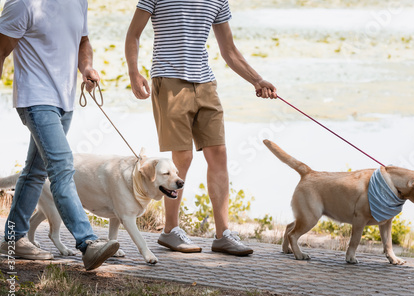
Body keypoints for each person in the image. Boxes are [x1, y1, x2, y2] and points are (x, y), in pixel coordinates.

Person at [125, 0, 277, 256]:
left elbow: (228, 49)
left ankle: (223, 235)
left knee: (219, 154)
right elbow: (133, 35)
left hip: (206, 84)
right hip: (169, 80)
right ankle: (170, 231)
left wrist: (257, 80)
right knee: (182, 157)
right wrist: (133, 72)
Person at [0, 0, 119, 270]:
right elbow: (1, 50)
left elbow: (83, 40)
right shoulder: (23, 4)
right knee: (62, 167)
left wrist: (86, 67)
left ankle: (13, 238)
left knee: (35, 171)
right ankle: (87, 243)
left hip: (64, 101)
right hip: (35, 98)